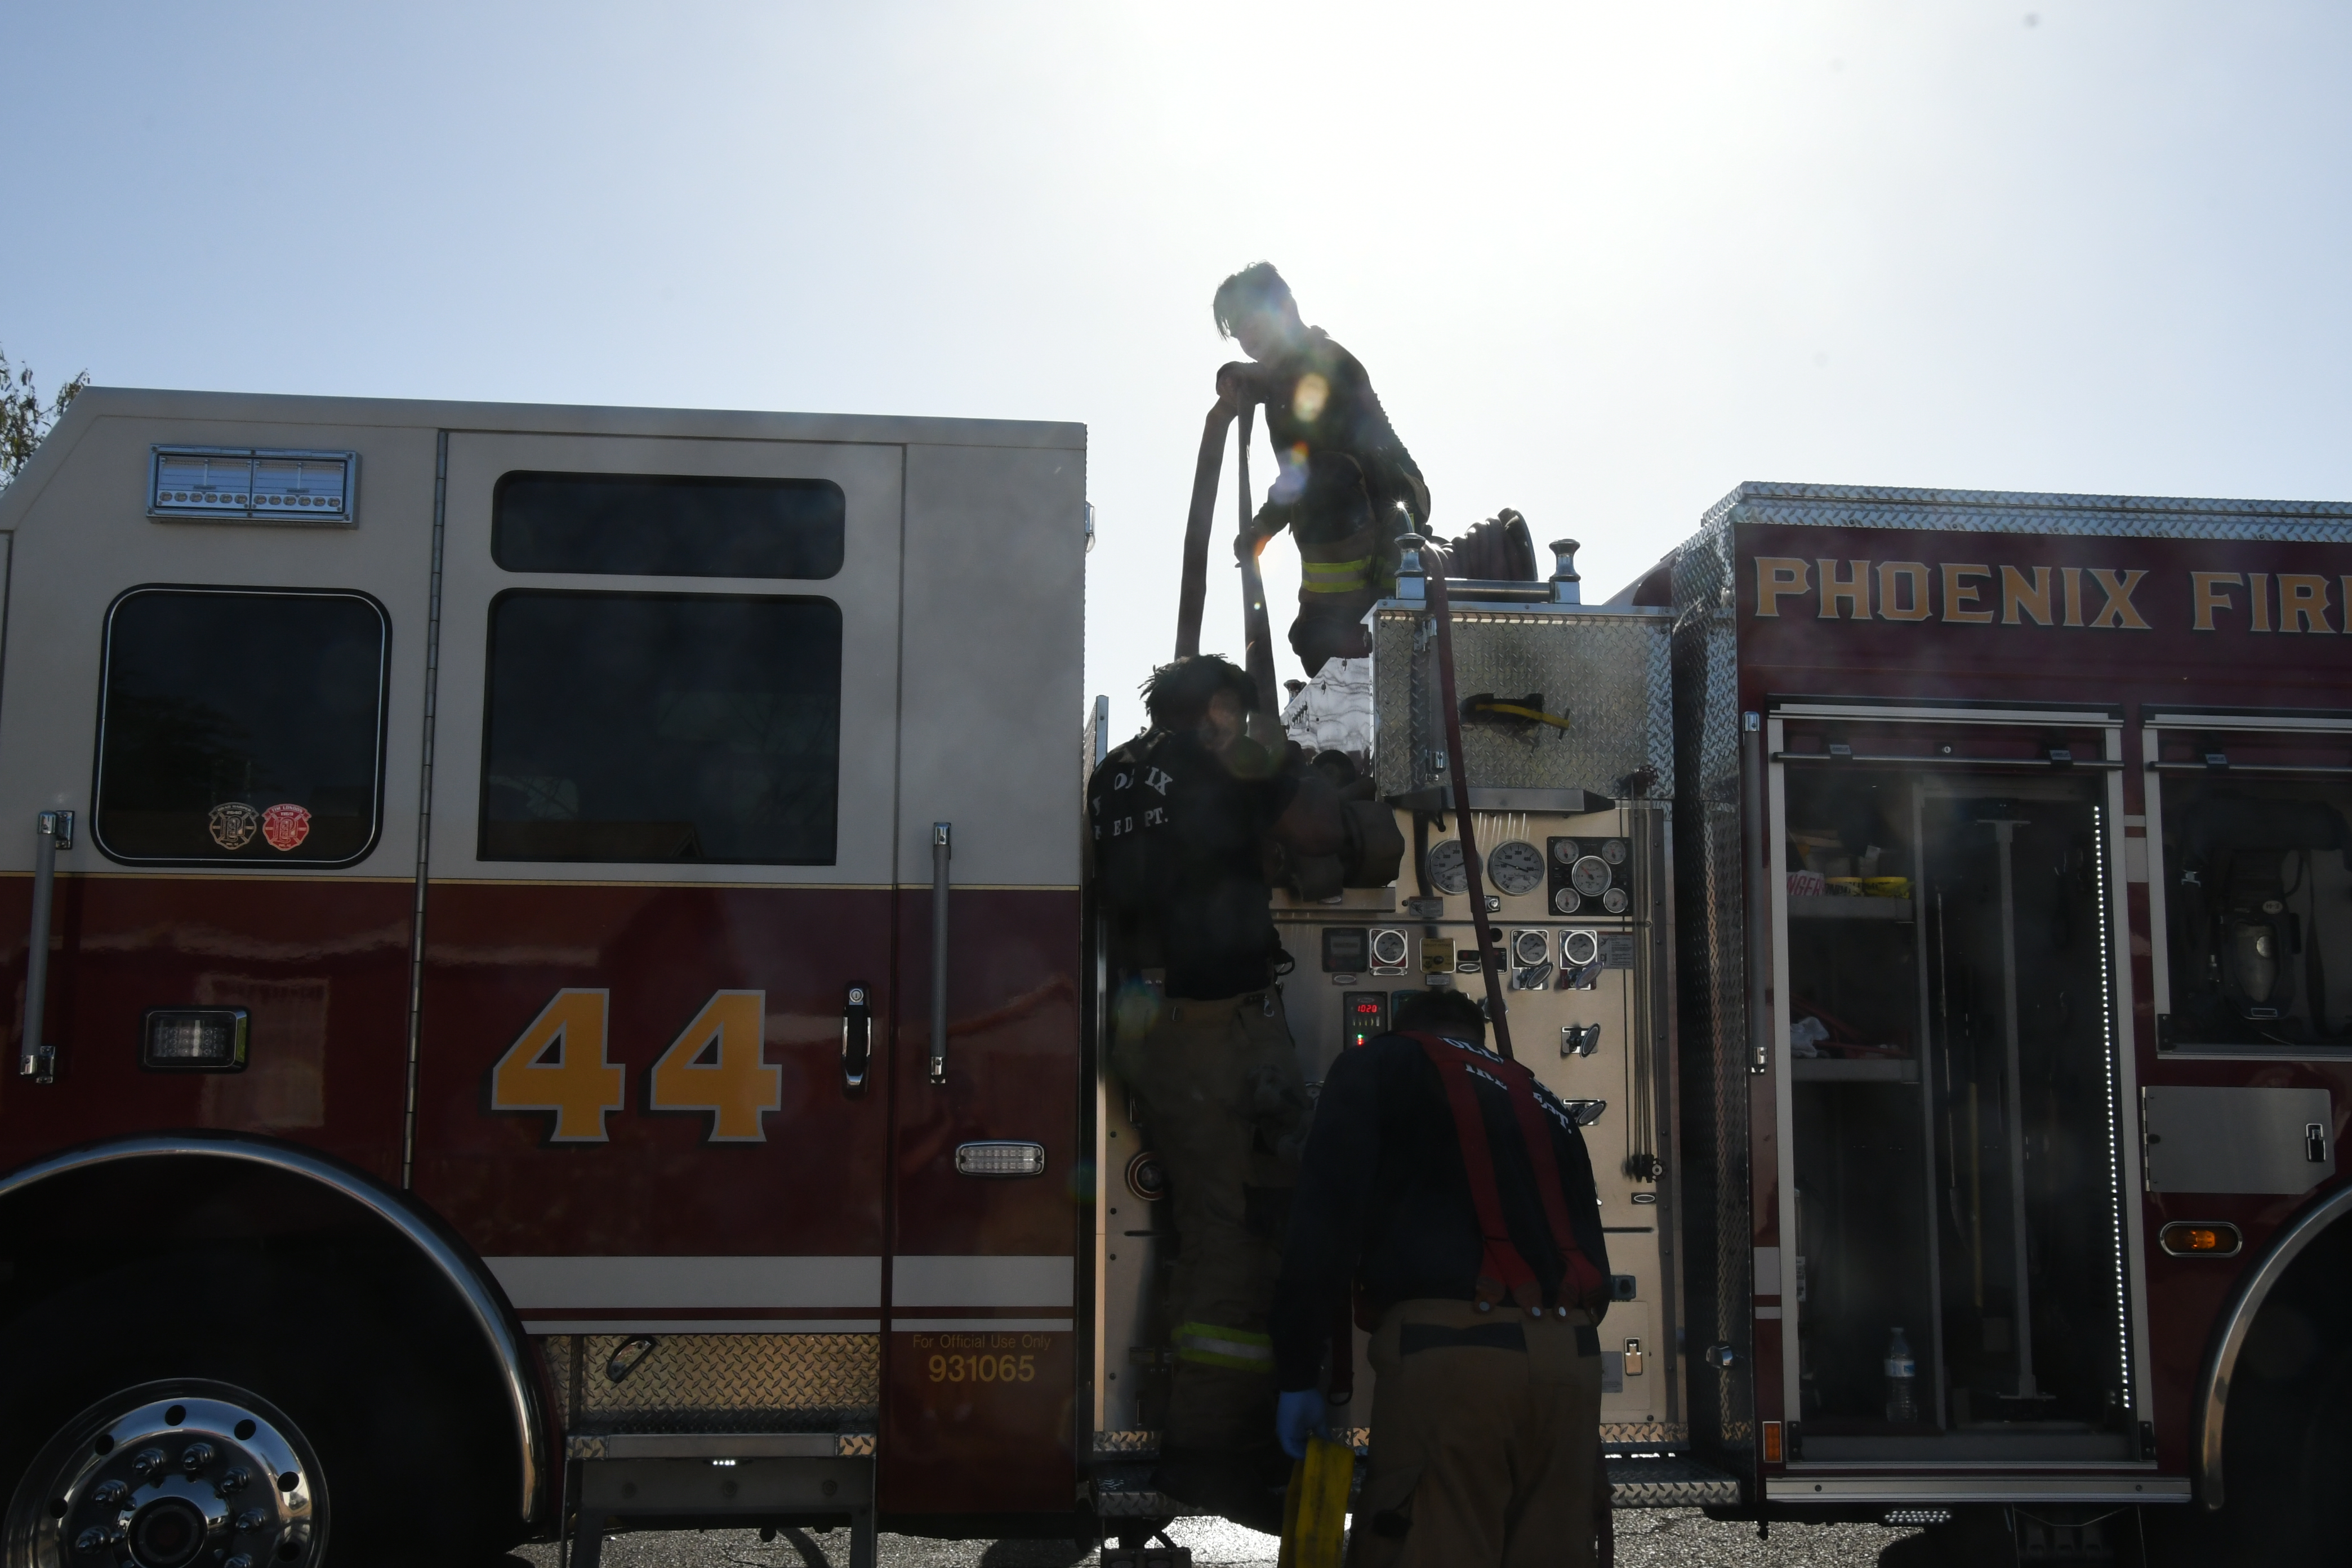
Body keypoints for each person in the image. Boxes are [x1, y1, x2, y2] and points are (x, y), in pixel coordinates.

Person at [1088, 654, 1347, 1526]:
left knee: (1202, 1225)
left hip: (1145, 1022)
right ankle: (1209, 1453)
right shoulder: (1227, 757)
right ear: (1223, 708)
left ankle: (1198, 1429)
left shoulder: (1115, 772)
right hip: (1213, 1026)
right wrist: (1295, 763)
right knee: (1241, 1228)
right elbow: (1320, 834)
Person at [1268, 987, 1613, 1567]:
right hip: (1570, 1359)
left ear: (1406, 1029)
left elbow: (1325, 1222)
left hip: (1454, 1360)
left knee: (1429, 1540)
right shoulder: (1541, 1096)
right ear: (1476, 1036)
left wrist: (1297, 1371)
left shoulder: (1379, 1062)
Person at [1211, 262, 1431, 676]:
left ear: (1284, 307)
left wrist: (1262, 528)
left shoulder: (1322, 365)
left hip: (1393, 503)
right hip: (1352, 504)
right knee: (1316, 644)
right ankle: (1342, 626)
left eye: (1250, 319)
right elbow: (1272, 378)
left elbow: (1304, 470)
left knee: (1326, 481)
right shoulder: (1285, 372)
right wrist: (1236, 374)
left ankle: (1368, 608)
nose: (1246, 337)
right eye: (1237, 330)